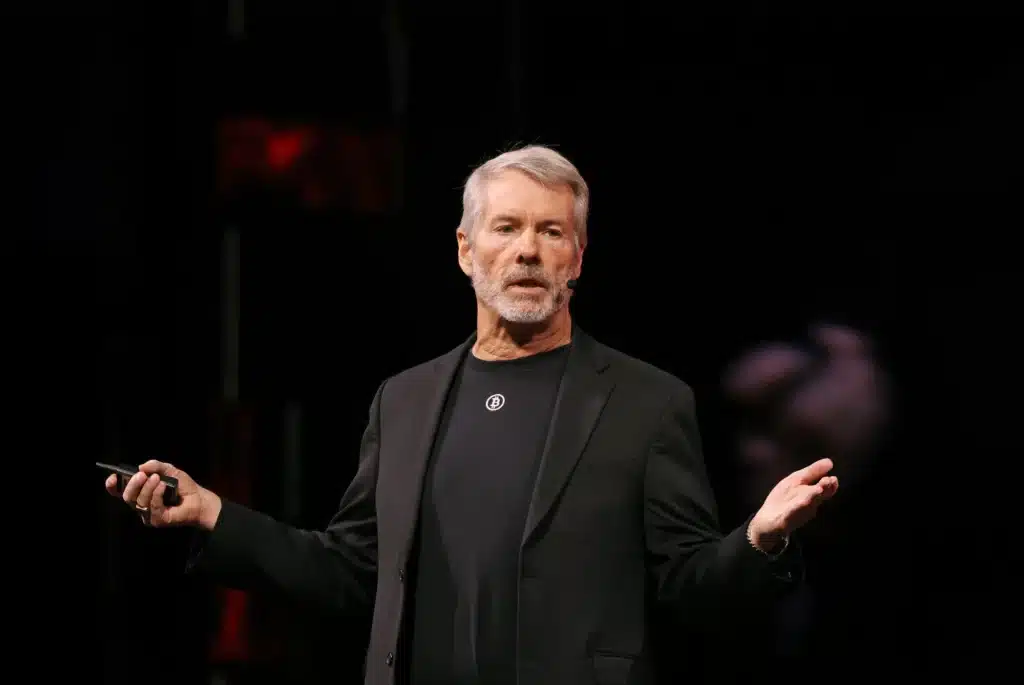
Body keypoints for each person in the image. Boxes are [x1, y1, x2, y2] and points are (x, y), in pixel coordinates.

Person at [105, 145, 839, 685]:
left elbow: (687, 586)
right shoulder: (405, 400)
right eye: (507, 228)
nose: (528, 250)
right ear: (465, 249)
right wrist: (212, 515)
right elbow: (352, 570)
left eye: (552, 232)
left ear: (578, 257)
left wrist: (758, 538)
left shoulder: (647, 402)